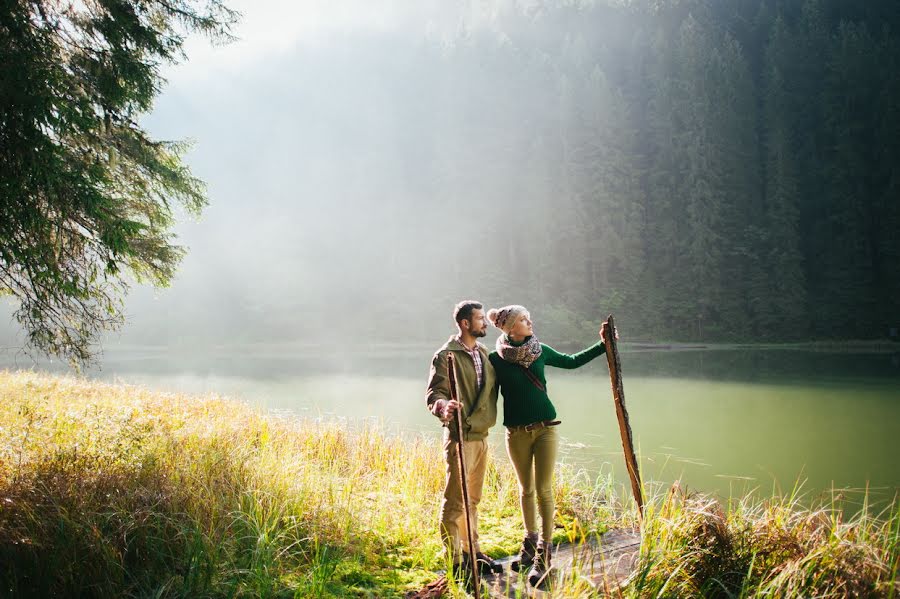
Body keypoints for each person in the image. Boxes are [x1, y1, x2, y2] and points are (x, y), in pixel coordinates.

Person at [487, 305, 613, 587]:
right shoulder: (495, 359)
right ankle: (529, 544)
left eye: (528, 317)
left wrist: (603, 345)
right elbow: (483, 389)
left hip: (545, 429)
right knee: (526, 490)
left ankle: (545, 554)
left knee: (543, 489)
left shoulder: (540, 350)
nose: (530, 321)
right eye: (523, 319)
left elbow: (572, 361)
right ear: (509, 327)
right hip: (516, 433)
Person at [425, 300, 502, 583]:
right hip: (459, 438)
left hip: (482, 437)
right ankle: (455, 560)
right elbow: (434, 394)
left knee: (474, 500)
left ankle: (472, 551)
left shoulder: (484, 353)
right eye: (480, 319)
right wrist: (443, 408)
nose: (484, 323)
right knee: (456, 501)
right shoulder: (446, 355)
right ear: (465, 323)